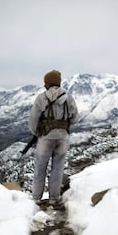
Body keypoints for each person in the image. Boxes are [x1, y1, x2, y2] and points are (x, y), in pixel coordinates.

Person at [29, 70, 78, 206]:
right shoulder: (69, 98)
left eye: (45, 82)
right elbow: (75, 118)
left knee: (40, 168)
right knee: (57, 169)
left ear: (49, 83)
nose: (44, 84)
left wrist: (36, 133)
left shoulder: (41, 98)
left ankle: (36, 198)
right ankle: (53, 198)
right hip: (63, 138)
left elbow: (33, 119)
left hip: (45, 138)